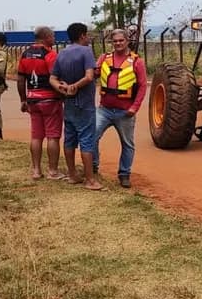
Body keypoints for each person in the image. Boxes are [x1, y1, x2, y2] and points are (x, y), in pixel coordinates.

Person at [50, 22, 102, 190]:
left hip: (69, 104)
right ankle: (90, 180)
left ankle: (72, 175)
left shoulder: (62, 53)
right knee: (87, 140)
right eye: (86, 35)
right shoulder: (86, 52)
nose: (87, 38)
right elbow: (88, 76)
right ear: (82, 36)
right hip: (84, 104)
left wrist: (63, 88)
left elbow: (52, 78)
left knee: (70, 139)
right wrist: (74, 86)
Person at [94, 28, 148, 188]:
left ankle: (124, 174)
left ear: (127, 41)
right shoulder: (104, 58)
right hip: (104, 109)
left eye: (121, 40)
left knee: (127, 144)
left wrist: (135, 107)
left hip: (125, 112)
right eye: (115, 41)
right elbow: (93, 74)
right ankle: (93, 167)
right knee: (92, 136)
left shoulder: (137, 62)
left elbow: (143, 86)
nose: (117, 43)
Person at [17, 26, 63, 180]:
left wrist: (23, 99)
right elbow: (54, 77)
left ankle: (36, 170)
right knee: (52, 136)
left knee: (36, 136)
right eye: (53, 36)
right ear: (46, 37)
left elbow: (21, 79)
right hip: (49, 99)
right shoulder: (50, 54)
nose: (54, 38)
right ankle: (53, 171)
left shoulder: (25, 53)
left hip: (32, 100)